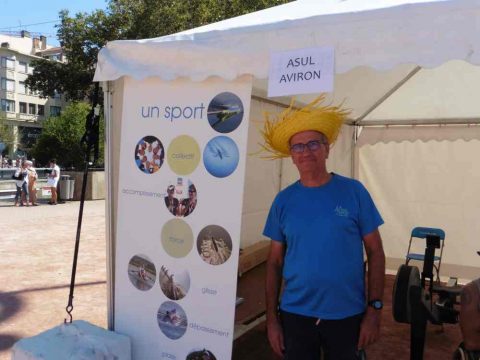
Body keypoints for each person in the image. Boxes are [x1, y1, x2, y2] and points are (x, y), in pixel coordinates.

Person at [261, 96, 386, 360]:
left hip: (347, 315)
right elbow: (273, 262)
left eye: (313, 143)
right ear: (291, 156)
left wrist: (374, 310)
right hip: (295, 315)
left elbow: (375, 251)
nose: (306, 152)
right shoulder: (283, 201)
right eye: (298, 147)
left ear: (327, 149)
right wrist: (272, 320)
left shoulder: (354, 192)